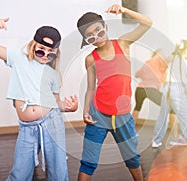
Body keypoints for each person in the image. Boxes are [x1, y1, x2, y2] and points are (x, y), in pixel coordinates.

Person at [0, 17, 78, 180]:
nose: (45, 56)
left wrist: (70, 107)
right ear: (33, 45)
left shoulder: (53, 73)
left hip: (52, 122)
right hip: (28, 127)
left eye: (50, 54)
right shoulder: (18, 58)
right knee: (20, 171)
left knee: (58, 169)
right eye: (41, 50)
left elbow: (56, 102)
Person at [76, 4, 152, 181]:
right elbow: (90, 88)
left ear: (106, 27)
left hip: (123, 116)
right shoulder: (90, 59)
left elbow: (147, 23)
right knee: (88, 161)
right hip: (98, 116)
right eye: (90, 37)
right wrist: (85, 111)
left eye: (99, 31)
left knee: (132, 158)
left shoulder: (124, 44)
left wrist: (124, 11)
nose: (97, 38)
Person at [132, 49, 167, 122]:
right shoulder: (160, 62)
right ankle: (167, 129)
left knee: (137, 107)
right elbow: (163, 80)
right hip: (151, 89)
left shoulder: (147, 63)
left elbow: (136, 74)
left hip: (140, 89)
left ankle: (130, 131)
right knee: (167, 105)